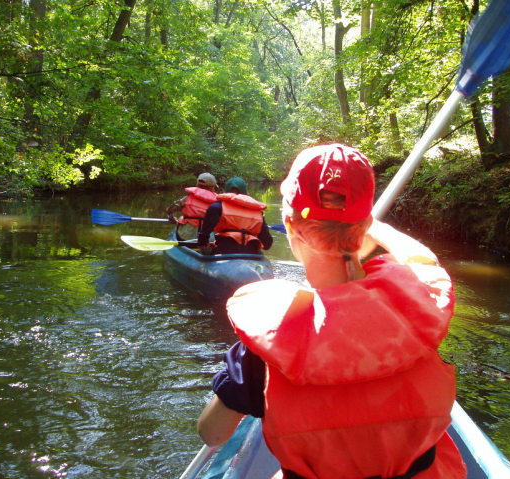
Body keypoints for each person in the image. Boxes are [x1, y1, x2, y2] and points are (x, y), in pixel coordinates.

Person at [197, 144, 466, 479]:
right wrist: (360, 228)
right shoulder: (423, 304)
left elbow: (213, 434)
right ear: (366, 226)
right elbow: (403, 253)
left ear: (290, 228)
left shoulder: (267, 340)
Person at [197, 177, 273, 255]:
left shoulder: (216, 207)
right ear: (246, 194)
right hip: (251, 254)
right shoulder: (258, 212)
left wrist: (203, 242)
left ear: (226, 193)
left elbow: (204, 234)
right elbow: (267, 244)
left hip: (224, 253)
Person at [166, 173, 217, 241]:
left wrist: (173, 219)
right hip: (208, 238)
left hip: (186, 236)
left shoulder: (187, 198)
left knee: (181, 218)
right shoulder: (217, 202)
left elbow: (169, 210)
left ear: (197, 185)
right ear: (212, 187)